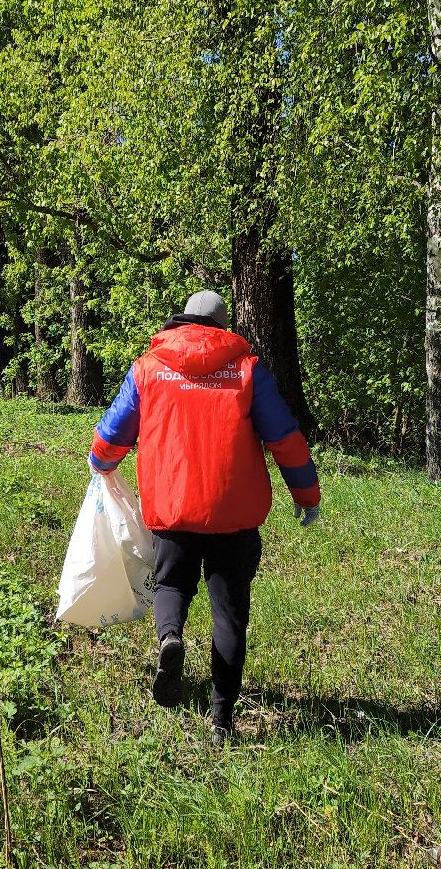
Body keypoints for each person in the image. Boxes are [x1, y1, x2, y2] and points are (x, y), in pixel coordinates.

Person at [88, 290, 320, 741]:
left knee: (172, 583)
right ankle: (221, 720)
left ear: (182, 321)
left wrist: (101, 463)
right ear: (220, 325)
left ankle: (170, 639)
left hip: (172, 511)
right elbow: (285, 438)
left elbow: (114, 430)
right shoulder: (247, 371)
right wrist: (306, 494)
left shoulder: (149, 369)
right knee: (230, 613)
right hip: (235, 516)